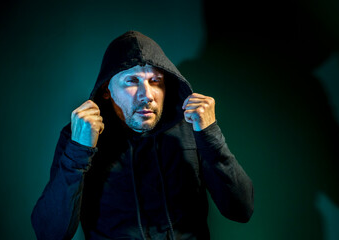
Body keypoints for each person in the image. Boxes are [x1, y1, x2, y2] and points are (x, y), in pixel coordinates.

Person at [31, 30, 254, 240]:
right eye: (132, 81)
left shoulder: (192, 127)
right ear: (107, 90)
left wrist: (210, 134)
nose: (146, 95)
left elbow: (241, 210)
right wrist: (78, 151)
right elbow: (50, 234)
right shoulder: (78, 136)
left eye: (155, 81)